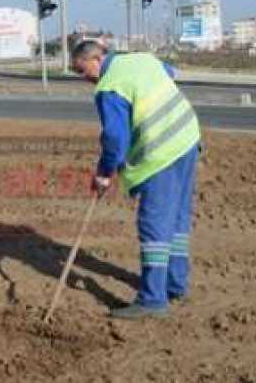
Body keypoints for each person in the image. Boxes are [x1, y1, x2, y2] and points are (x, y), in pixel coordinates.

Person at [71, 37, 200, 319]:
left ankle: (153, 300)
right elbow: (169, 73)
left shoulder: (109, 88)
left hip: (161, 153)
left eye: (81, 70)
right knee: (177, 218)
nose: (83, 78)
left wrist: (104, 174)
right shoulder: (140, 58)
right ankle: (175, 284)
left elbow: (115, 140)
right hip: (187, 137)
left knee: (154, 225)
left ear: (97, 59)